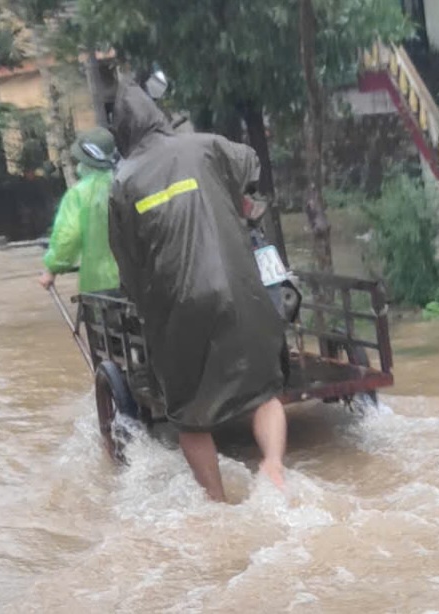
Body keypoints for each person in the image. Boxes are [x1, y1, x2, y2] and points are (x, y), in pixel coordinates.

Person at [108, 80, 288, 502]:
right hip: (240, 290)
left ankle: (217, 501)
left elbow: (129, 266)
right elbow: (251, 164)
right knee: (265, 393)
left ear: (123, 133)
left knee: (191, 418)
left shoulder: (123, 181)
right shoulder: (205, 146)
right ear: (158, 117)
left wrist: (142, 305)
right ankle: (274, 465)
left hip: (178, 306)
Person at [38, 128, 120, 293]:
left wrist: (51, 268)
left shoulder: (79, 194)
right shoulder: (130, 183)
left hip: (101, 284)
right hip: (141, 284)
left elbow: (68, 237)